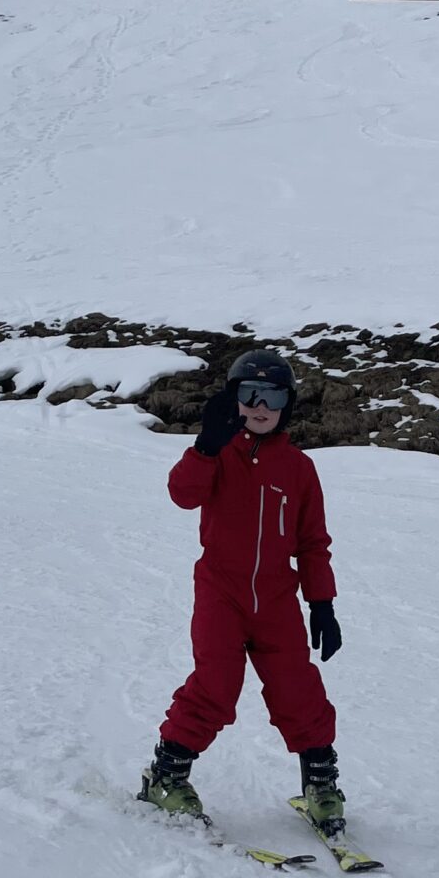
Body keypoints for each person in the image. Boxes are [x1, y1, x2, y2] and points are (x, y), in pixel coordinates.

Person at [140, 347, 346, 833]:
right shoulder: (217, 453)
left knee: (298, 688)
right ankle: (165, 776)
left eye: (273, 396)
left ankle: (320, 785)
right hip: (221, 592)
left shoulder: (298, 468)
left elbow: (313, 543)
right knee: (216, 684)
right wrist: (204, 448)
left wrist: (322, 603)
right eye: (250, 394)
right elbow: (182, 494)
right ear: (233, 398)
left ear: (287, 404)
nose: (260, 406)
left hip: (276, 600)